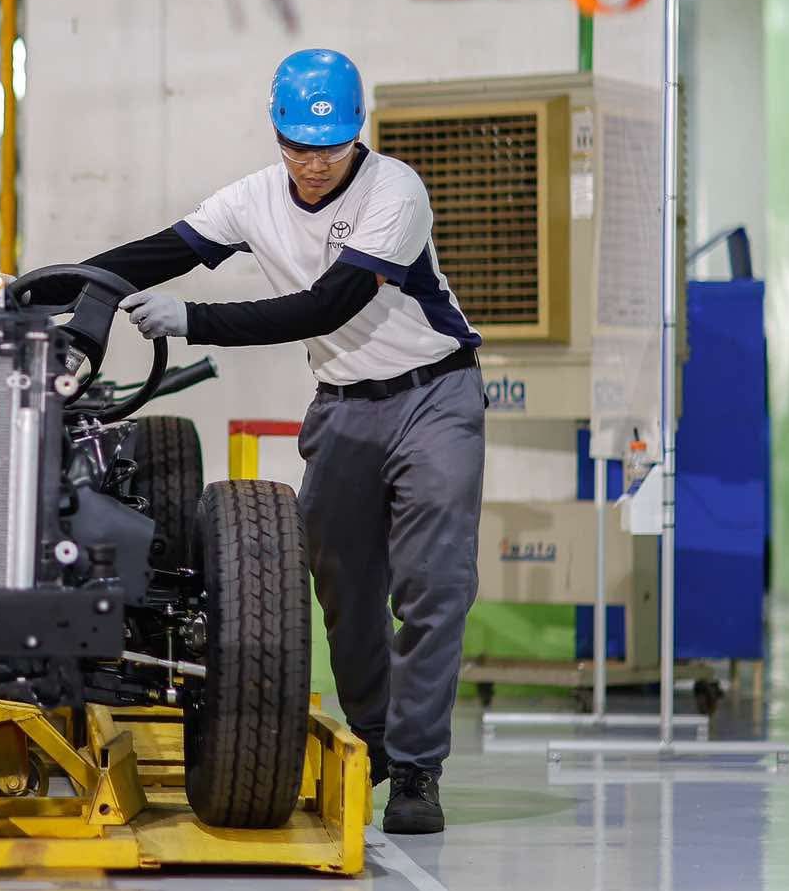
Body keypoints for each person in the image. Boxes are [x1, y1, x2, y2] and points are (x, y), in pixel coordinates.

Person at [76, 48, 485, 835]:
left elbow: (326, 306)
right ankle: (375, 738)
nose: (315, 164)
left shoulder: (395, 191)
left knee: (431, 587)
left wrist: (193, 319)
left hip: (435, 397)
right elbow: (155, 255)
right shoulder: (254, 199)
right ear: (276, 133)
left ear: (358, 133)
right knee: (341, 583)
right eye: (299, 147)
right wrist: (46, 289)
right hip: (344, 405)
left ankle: (417, 767)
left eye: (331, 148)